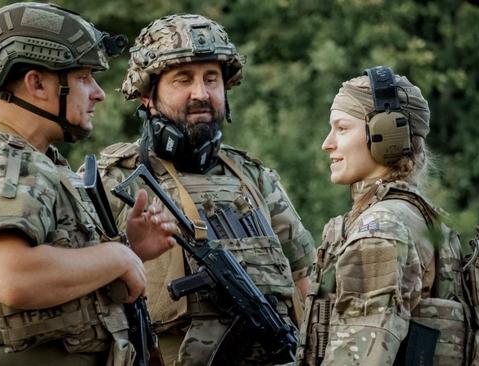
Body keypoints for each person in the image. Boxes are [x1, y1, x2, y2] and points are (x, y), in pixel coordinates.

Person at [0, 3, 177, 365]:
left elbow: (56, 274)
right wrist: (117, 255)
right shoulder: (1, 159)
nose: (98, 92)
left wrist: (130, 248)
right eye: (84, 77)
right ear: (36, 83)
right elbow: (13, 277)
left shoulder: (27, 161)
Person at [97, 14, 316, 365]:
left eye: (211, 79)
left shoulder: (255, 178)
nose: (201, 93)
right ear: (147, 95)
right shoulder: (115, 180)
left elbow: (306, 284)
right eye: (183, 79)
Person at [296, 66, 441, 365]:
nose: (328, 143)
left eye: (342, 128)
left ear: (385, 135)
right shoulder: (421, 217)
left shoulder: (380, 230)